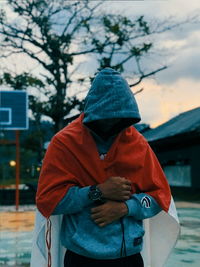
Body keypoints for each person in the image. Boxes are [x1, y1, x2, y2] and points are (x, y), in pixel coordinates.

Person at [31, 68, 180, 267]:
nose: (112, 122)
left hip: (129, 257)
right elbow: (48, 201)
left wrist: (126, 207)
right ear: (92, 111)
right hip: (80, 258)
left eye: (119, 117)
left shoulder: (138, 144)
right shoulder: (65, 143)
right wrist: (97, 191)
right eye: (105, 117)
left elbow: (159, 198)